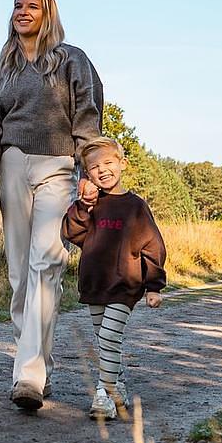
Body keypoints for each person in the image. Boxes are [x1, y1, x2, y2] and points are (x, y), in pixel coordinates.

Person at [0, 0, 104, 412]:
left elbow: (87, 119)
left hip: (58, 166)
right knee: (19, 276)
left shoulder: (72, 60)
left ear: (48, 15)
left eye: (32, 6)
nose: (22, 12)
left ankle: (27, 375)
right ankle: (39, 365)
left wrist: (90, 172)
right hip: (12, 165)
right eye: (17, 6)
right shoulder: (0, 68)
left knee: (47, 263)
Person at [60, 136, 166, 420]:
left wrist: (154, 286)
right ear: (87, 173)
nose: (102, 170)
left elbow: (153, 246)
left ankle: (104, 394)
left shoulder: (135, 206)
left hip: (124, 285)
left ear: (123, 163)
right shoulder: (88, 204)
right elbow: (71, 233)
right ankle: (118, 387)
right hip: (94, 283)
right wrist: (83, 207)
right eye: (94, 167)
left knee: (108, 336)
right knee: (105, 340)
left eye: (108, 163)